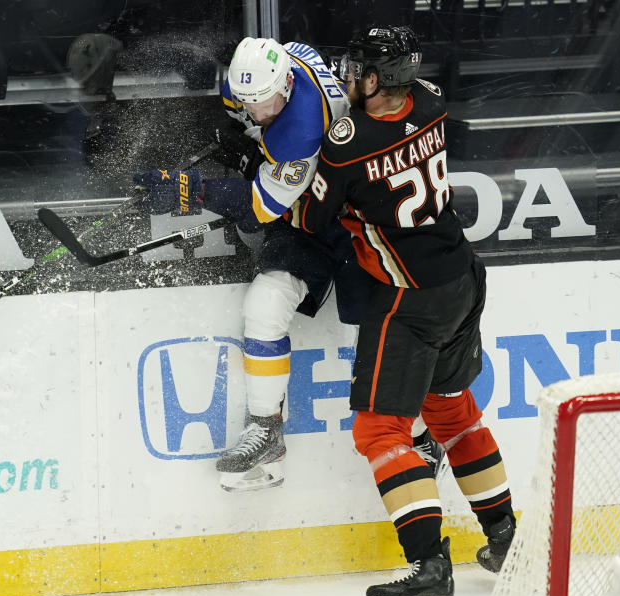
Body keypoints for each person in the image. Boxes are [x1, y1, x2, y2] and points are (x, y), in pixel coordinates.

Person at [134, 36, 446, 492]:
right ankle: (265, 431)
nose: (254, 111)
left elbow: (259, 208)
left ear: (284, 85)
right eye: (247, 101)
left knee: (377, 337)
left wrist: (190, 189)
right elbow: (242, 112)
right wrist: (242, 134)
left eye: (262, 105)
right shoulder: (282, 62)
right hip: (312, 210)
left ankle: (421, 436)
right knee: (264, 303)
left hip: (358, 220)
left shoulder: (300, 133)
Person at [297, 26, 516, 596]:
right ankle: (506, 543)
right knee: (451, 411)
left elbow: (312, 218)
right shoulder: (430, 100)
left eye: (358, 68)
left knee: (380, 432)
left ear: (375, 79)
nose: (350, 75)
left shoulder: (347, 143)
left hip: (410, 298)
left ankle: (428, 571)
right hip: (462, 278)